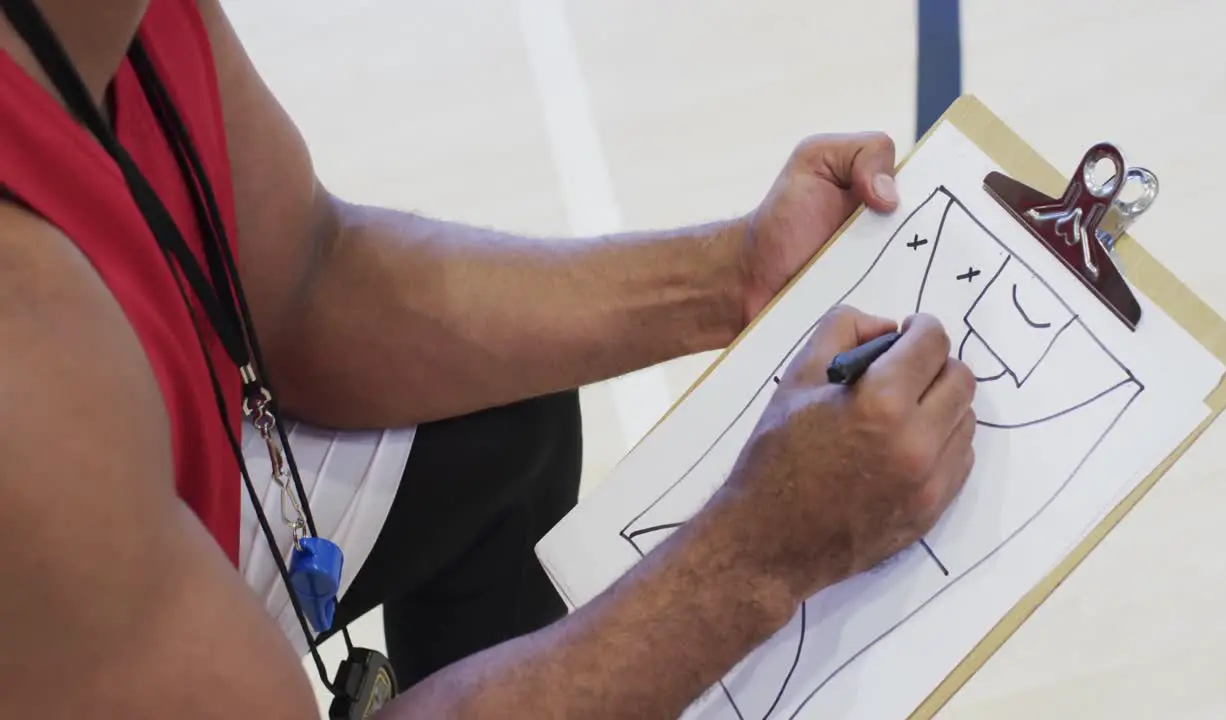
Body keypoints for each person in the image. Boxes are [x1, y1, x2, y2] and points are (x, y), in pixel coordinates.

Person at [0, 0, 977, 718]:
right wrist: (755, 560)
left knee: (495, 427)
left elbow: (305, 276)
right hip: (74, 578)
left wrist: (731, 278)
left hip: (115, 534)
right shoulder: (23, 354)